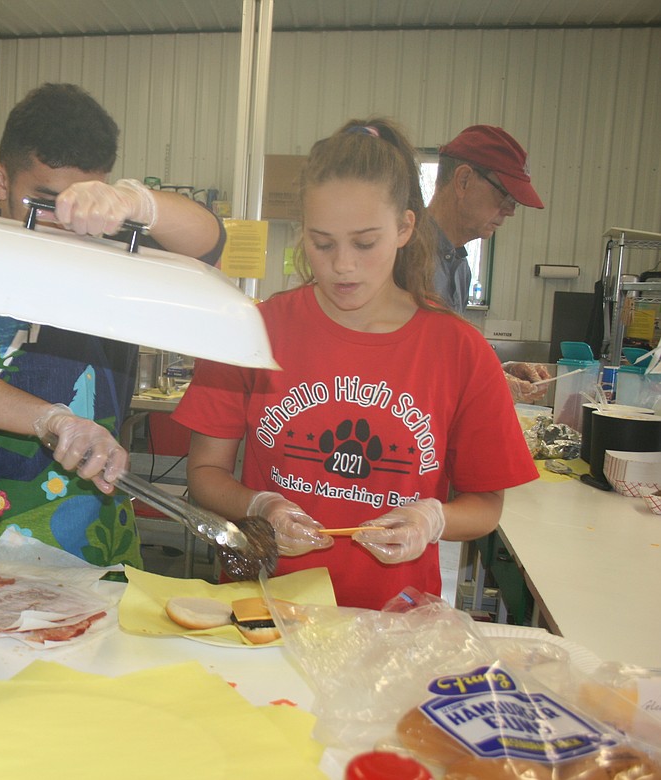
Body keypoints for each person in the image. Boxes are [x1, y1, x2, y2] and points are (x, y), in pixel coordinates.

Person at [171, 118, 539, 609]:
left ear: (406, 227)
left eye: (365, 243)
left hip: (391, 620)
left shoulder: (460, 351)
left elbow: (486, 504)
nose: (343, 265)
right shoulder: (252, 332)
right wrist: (262, 506)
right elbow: (205, 472)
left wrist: (433, 518)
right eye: (323, 243)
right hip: (269, 609)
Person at [0, 83, 224, 568]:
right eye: (45, 204)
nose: (64, 224)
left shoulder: (112, 257)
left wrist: (135, 203)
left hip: (100, 546)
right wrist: (51, 418)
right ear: (0, 180)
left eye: (79, 206)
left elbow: (208, 242)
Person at [426, 124, 550, 402]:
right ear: (464, 180)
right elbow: (402, 366)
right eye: (504, 195)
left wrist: (501, 371)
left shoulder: (459, 267)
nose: (510, 211)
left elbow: (450, 356)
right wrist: (487, 382)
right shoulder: (404, 256)